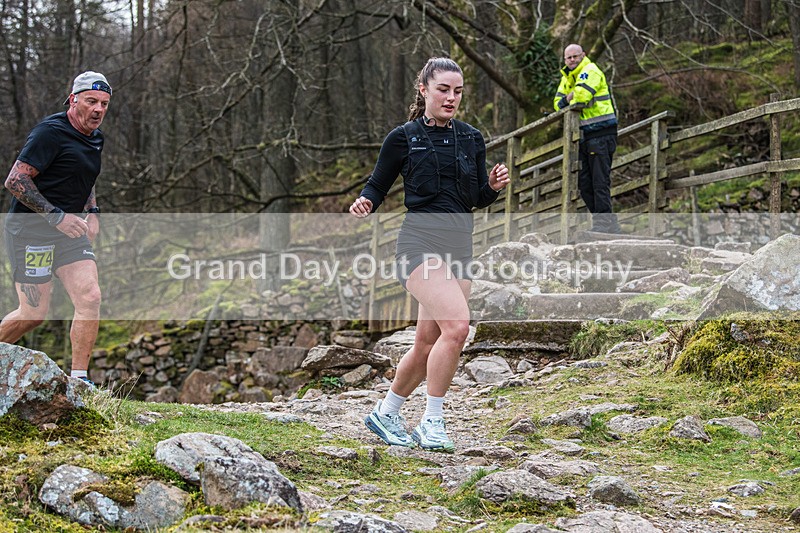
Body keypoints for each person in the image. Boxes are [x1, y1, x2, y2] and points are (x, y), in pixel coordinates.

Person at [349, 57, 510, 451]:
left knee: (427, 342)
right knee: (457, 328)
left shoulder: (472, 138)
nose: (451, 98)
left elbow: (472, 199)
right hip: (418, 244)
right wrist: (365, 202)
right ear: (423, 90)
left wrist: (491, 186)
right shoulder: (402, 137)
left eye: (457, 91)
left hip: (460, 246)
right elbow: (377, 184)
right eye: (443, 90)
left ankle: (386, 413)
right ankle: (432, 422)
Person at [0, 71, 111, 386]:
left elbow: (84, 178)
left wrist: (92, 211)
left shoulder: (96, 138)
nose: (98, 109)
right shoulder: (50, 132)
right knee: (32, 314)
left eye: (104, 103)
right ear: (73, 100)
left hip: (70, 234)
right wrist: (56, 216)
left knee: (90, 296)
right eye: (91, 101)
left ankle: (79, 381)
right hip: (32, 232)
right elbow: (16, 180)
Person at [554, 44, 621, 233]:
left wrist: (568, 98)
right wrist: (568, 98)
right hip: (584, 136)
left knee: (599, 181)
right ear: (565, 60)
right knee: (584, 185)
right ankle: (609, 224)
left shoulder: (590, 70)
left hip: (601, 133)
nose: (572, 60)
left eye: (576, 56)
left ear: (583, 55)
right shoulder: (567, 78)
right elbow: (556, 104)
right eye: (569, 58)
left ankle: (602, 224)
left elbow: (581, 98)